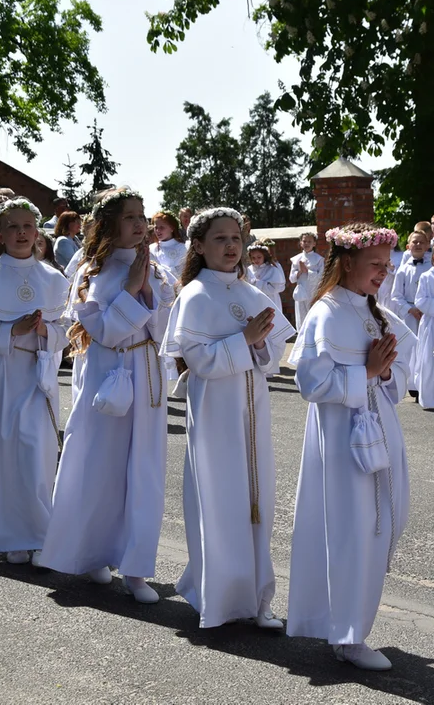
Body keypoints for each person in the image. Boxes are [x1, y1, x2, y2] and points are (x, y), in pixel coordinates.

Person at [158, 207, 295, 630]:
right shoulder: (196, 295)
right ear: (198, 245)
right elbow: (198, 362)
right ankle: (218, 596)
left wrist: (257, 347)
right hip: (217, 409)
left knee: (258, 500)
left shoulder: (252, 293)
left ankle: (257, 596)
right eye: (220, 238)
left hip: (253, 409)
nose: (232, 246)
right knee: (221, 500)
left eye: (236, 238)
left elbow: (271, 358)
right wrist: (245, 340)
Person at [286, 223, 415, 671]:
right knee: (352, 528)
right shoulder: (326, 311)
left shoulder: (373, 310)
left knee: (385, 522)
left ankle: (353, 623)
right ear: (346, 262)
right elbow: (311, 382)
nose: (385, 271)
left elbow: (396, 380)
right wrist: (367, 372)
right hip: (342, 438)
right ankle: (347, 632)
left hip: (380, 428)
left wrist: (381, 372)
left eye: (387, 264)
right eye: (375, 264)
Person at [40, 189, 176, 602]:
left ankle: (135, 568)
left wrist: (150, 291)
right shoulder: (89, 271)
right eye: (130, 217)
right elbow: (105, 332)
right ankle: (92, 552)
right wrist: (133, 291)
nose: (140, 224)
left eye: (142, 217)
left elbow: (168, 327)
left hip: (146, 373)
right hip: (106, 374)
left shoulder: (157, 269)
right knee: (100, 463)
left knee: (143, 469)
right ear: (108, 224)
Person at [0, 198, 70, 565]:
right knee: (6, 454)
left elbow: (68, 331)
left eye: (27, 226)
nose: (21, 233)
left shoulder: (53, 278)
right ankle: (10, 536)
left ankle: (39, 535)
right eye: (13, 227)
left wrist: (45, 331)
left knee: (36, 452)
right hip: (2, 376)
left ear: (37, 232)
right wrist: (10, 330)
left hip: (38, 374)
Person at [412, 241, 434, 410]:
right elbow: (420, 300)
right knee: (432, 362)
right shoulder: (427, 276)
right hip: (433, 323)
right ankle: (430, 398)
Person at [389, 231, 431, 335]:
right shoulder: (403, 270)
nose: (418, 245)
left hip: (428, 313)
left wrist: (428, 306)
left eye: (421, 242)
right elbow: (396, 295)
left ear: (427, 246)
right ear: (408, 246)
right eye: (415, 242)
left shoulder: (432, 267)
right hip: (409, 315)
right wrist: (410, 310)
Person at [289, 232, 324, 330]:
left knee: (313, 314)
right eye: (304, 241)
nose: (306, 243)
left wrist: (308, 271)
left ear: (314, 244)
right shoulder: (296, 259)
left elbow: (321, 277)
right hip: (301, 291)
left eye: (309, 241)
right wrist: (299, 272)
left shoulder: (319, 259)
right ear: (300, 243)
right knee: (301, 316)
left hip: (313, 291)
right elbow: (291, 279)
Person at [149, 210, 188, 279]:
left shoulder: (182, 248)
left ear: (172, 228)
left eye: (161, 227)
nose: (158, 231)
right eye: (156, 228)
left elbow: (182, 274)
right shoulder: (151, 248)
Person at [247, 242, 286, 310]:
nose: (256, 260)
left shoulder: (272, 269)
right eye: (253, 257)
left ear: (264, 256)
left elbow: (276, 288)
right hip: (254, 301)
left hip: (270, 300)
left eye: (259, 257)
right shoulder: (249, 269)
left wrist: (258, 283)